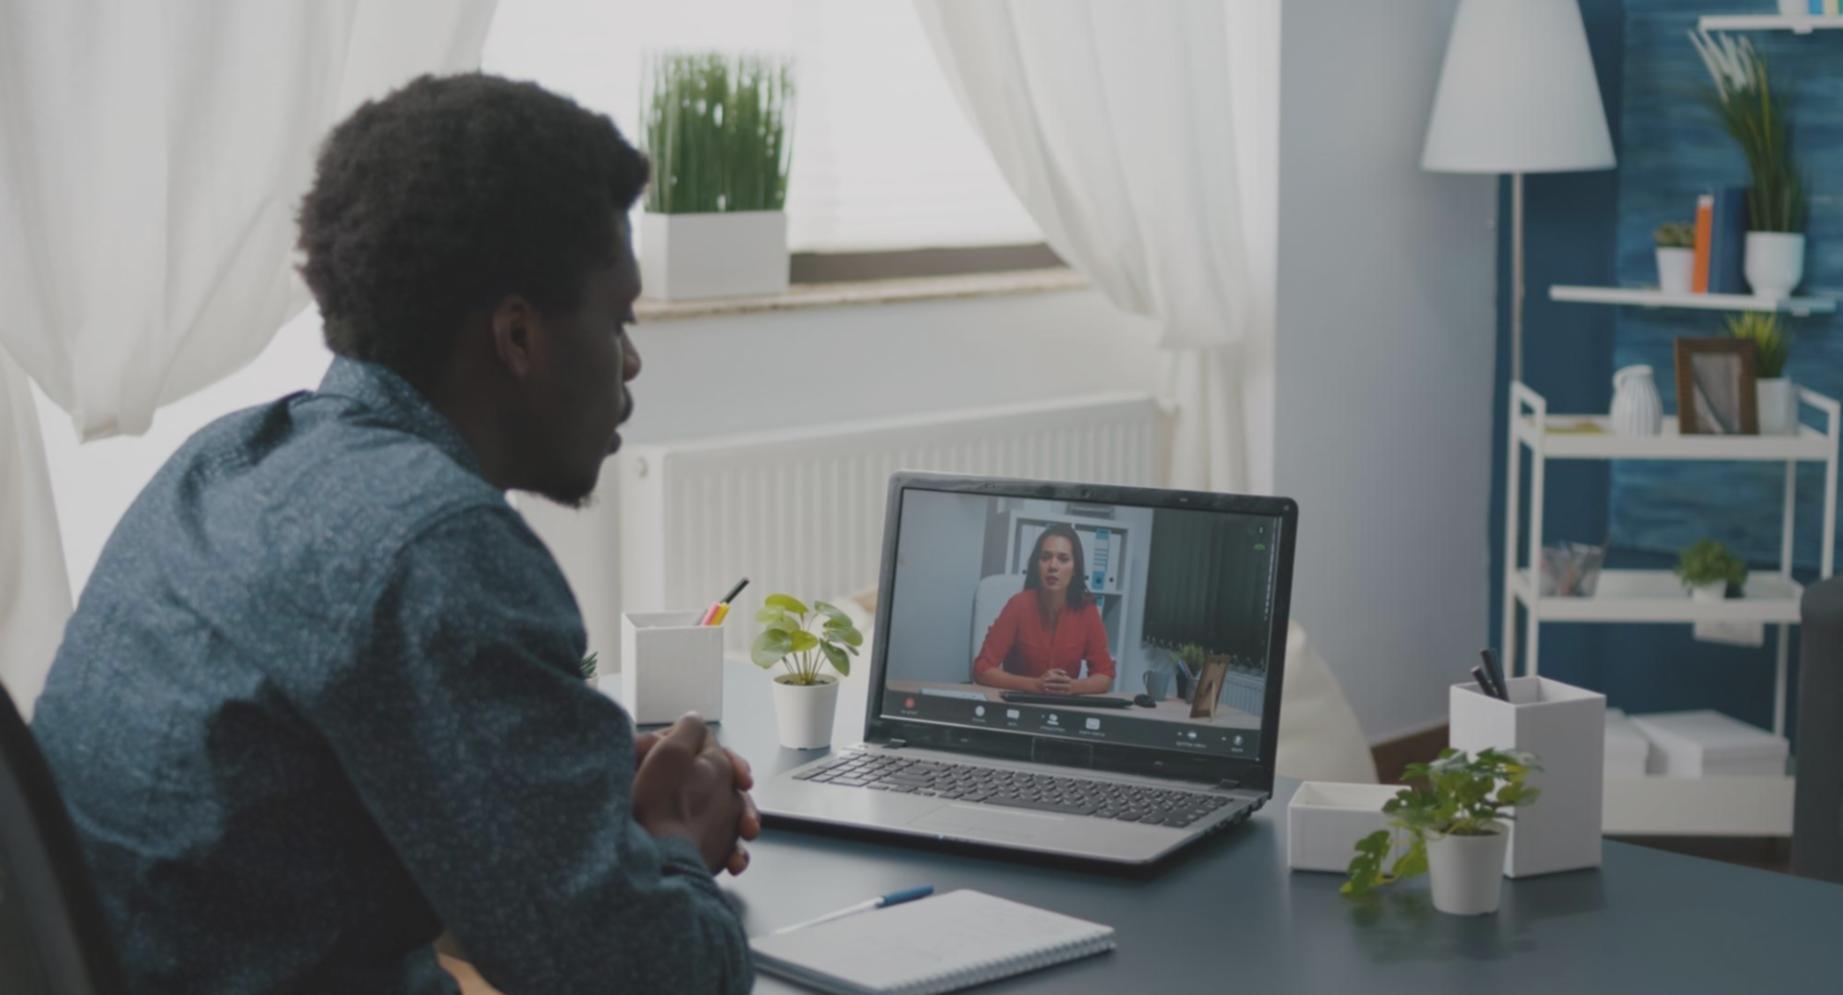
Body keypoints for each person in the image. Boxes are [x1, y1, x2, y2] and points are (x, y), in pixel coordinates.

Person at [30, 74, 755, 994]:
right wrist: (678, 845)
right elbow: (647, 977)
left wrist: (580, 781)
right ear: (518, 336)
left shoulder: (225, 463)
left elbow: (344, 769)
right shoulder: (438, 544)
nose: (632, 358)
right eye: (617, 317)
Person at [972, 524, 1116, 695]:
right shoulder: (1018, 605)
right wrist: (1035, 685)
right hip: (1019, 705)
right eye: (1045, 557)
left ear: (1075, 568)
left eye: (1063, 559)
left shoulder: (1087, 610)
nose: (1053, 566)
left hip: (1064, 708)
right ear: (1036, 564)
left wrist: (1071, 687)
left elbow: (1105, 675)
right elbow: (982, 669)